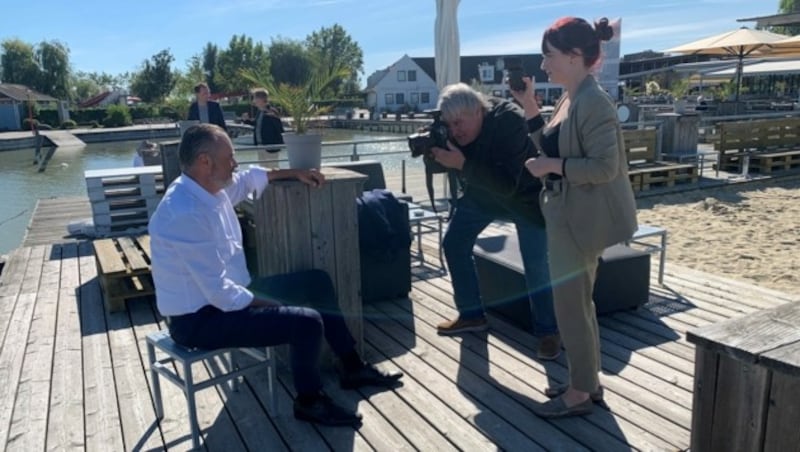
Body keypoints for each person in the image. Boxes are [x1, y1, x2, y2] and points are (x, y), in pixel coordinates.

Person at [148, 124, 402, 428]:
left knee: (316, 282)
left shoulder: (206, 188)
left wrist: (295, 171)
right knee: (305, 322)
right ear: (205, 161)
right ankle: (309, 401)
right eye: (229, 157)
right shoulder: (184, 212)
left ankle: (351, 366)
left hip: (227, 296)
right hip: (199, 321)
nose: (234, 163)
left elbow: (248, 178)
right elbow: (220, 294)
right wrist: (269, 304)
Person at [513, 17, 637, 418]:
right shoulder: (572, 96)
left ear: (575, 56)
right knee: (576, 305)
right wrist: (530, 105)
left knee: (571, 307)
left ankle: (581, 391)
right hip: (567, 216)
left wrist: (552, 165)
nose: (544, 65)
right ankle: (588, 382)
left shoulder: (592, 101)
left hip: (579, 221)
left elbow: (604, 167)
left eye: (549, 56)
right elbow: (550, 142)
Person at [428, 83, 560, 360]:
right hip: (483, 192)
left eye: (458, 123)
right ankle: (472, 314)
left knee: (536, 264)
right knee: (454, 243)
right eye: (449, 125)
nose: (455, 131)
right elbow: (468, 165)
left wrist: (461, 164)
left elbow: (507, 185)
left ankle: (548, 331)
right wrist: (439, 155)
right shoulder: (462, 128)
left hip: (524, 198)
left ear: (478, 111)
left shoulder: (510, 121)